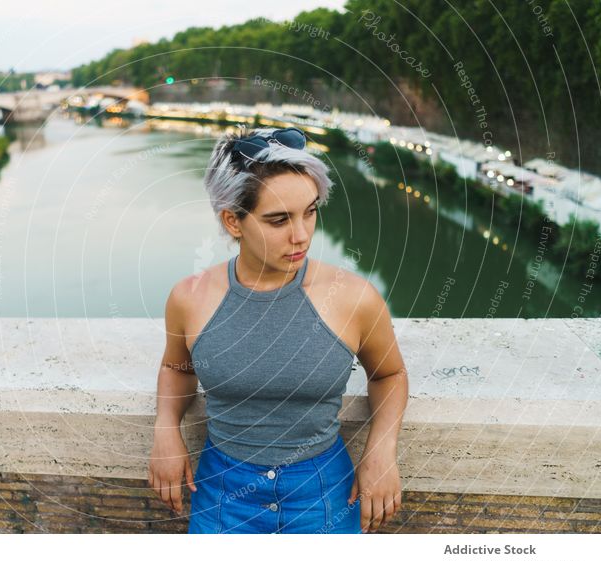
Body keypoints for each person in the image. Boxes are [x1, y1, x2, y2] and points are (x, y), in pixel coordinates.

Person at [148, 125, 408, 534]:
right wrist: (166, 428)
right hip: (222, 495)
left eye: (310, 211)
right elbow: (177, 369)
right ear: (233, 222)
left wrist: (381, 449)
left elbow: (389, 374)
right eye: (278, 220)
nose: (301, 235)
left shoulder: (353, 298)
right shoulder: (189, 298)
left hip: (324, 495)